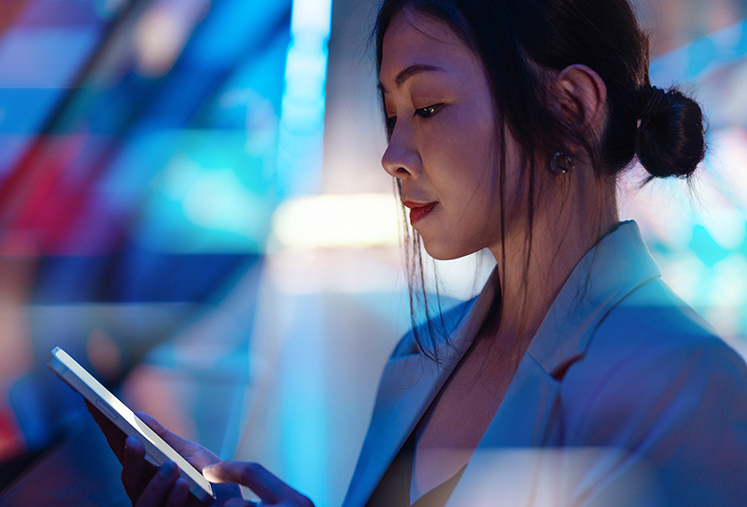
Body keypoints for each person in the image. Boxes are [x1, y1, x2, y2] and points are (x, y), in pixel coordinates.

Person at [91, 0, 747, 505]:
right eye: (391, 114)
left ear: (571, 106)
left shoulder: (692, 387)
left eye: (428, 107)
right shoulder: (418, 356)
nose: (393, 155)